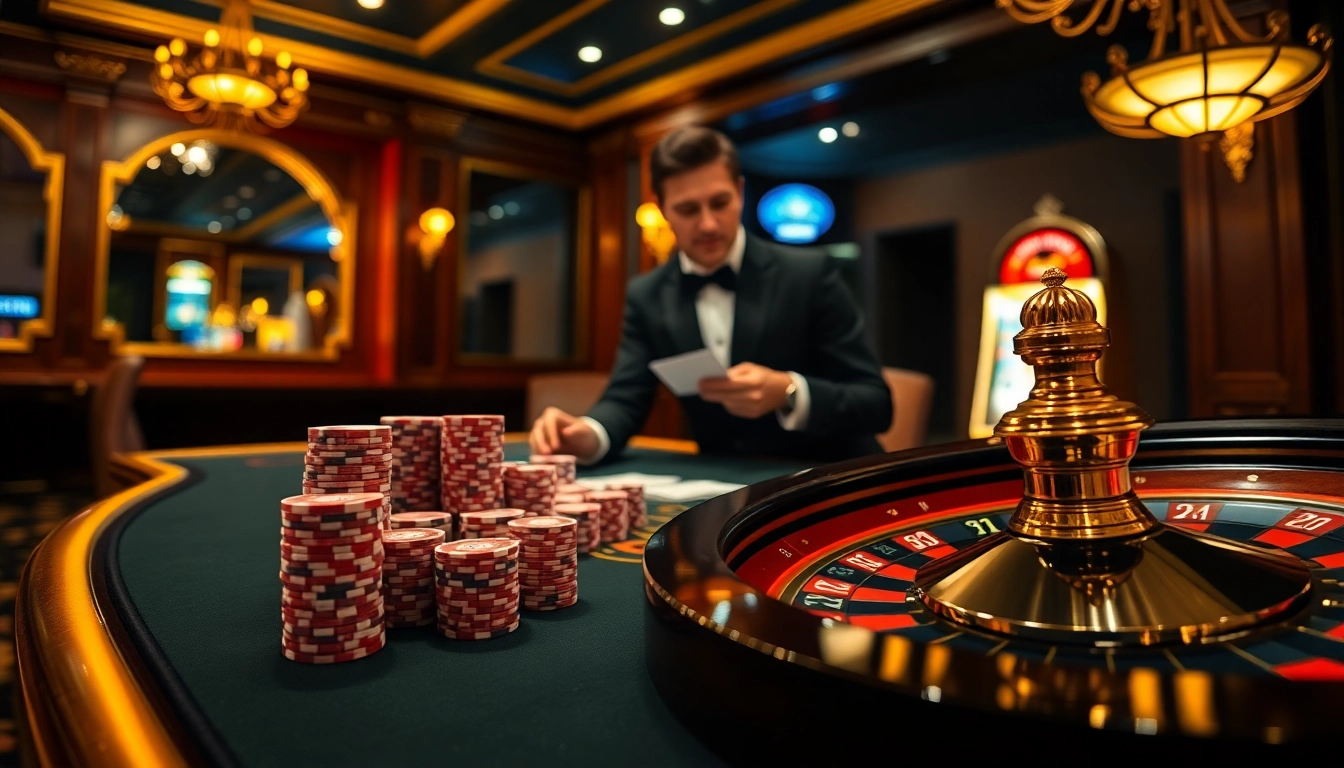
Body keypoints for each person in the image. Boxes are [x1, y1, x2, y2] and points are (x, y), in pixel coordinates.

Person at [530, 126, 892, 463]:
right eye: (688, 209)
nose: (707, 224)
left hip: (825, 479)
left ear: (740, 191)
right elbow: (625, 400)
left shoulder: (810, 273)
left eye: (719, 203)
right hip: (721, 489)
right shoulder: (647, 294)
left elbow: (876, 402)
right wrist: (587, 435)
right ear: (662, 210)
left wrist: (789, 392)